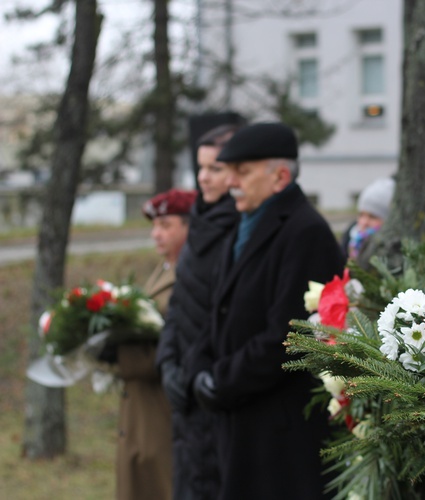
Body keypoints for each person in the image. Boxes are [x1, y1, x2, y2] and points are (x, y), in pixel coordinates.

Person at [187, 122, 345, 499]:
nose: (230, 183)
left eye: (243, 172)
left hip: (279, 430)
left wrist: (220, 380)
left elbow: (287, 337)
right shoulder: (246, 225)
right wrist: (199, 366)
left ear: (281, 176)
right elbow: (220, 313)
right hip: (242, 416)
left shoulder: (305, 231)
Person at [156, 125, 240, 500]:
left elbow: (224, 314)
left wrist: (192, 370)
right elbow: (178, 306)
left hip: (215, 390)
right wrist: (167, 364)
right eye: (200, 167)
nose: (203, 177)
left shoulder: (240, 231)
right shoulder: (201, 226)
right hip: (186, 399)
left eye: (215, 169)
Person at [116, 187, 196, 500]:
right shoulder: (162, 270)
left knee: (162, 484)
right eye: (154, 226)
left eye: (165, 226)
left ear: (190, 227)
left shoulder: (189, 275)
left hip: (162, 403)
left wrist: (118, 351)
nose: (156, 234)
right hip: (139, 403)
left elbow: (176, 343)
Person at [342, 176, 395, 267]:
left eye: (373, 217)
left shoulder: (393, 252)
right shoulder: (349, 240)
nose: (364, 222)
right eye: (361, 215)